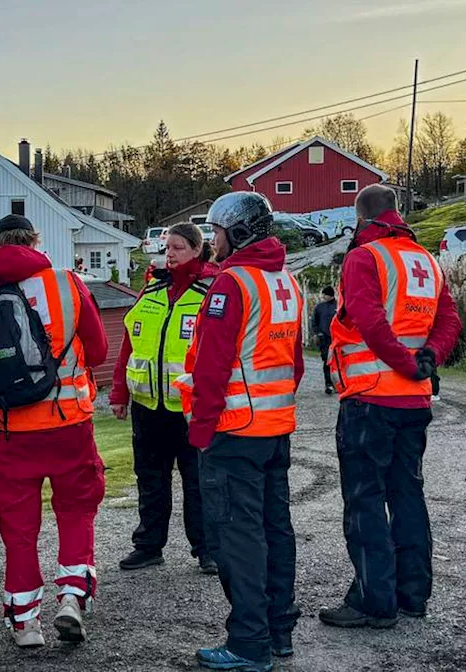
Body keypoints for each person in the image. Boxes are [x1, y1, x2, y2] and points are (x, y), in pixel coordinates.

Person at [0, 214, 108, 649]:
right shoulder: (68, 284)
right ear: (35, 241)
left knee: (19, 529)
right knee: (77, 511)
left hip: (8, 430)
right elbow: (98, 350)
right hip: (68, 424)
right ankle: (71, 597)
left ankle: (25, 623)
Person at [172, 192, 305, 672]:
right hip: (275, 426)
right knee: (276, 528)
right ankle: (278, 630)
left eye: (218, 231)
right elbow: (295, 364)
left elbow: (211, 366)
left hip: (235, 430)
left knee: (237, 536)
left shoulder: (231, 284)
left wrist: (201, 431)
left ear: (238, 232)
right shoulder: (285, 281)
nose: (213, 240)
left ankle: (249, 643)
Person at [320, 184, 461, 630]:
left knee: (364, 501)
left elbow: (369, 319)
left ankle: (373, 600)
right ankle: (412, 595)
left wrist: (406, 362)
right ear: (396, 214)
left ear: (363, 218)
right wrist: (428, 360)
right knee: (408, 496)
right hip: (414, 401)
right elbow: (449, 320)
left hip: (369, 397)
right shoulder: (426, 260)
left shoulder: (364, 258)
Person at [109, 222, 220, 575]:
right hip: (148, 406)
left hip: (190, 409)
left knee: (198, 482)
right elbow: (129, 345)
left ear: (197, 250)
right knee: (150, 480)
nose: (170, 254)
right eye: (167, 247)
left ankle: (207, 549)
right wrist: (119, 392)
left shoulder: (210, 293)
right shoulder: (151, 291)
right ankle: (148, 546)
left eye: (178, 248)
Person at [311, 286, 338, 395]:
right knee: (327, 361)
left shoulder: (338, 305)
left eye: (324, 294)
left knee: (339, 361)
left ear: (329, 295)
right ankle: (329, 384)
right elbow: (314, 321)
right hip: (325, 338)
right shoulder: (319, 307)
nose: (323, 297)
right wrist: (318, 333)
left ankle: (339, 383)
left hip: (337, 338)